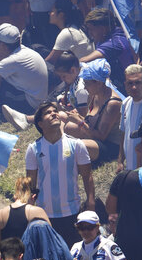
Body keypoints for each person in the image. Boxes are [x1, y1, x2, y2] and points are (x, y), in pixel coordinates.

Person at [25, 101, 96, 244]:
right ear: (40, 124)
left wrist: (91, 201)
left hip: (72, 213)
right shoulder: (33, 149)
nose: (54, 114)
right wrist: (29, 207)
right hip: (44, 214)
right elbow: (30, 182)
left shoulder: (77, 145)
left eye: (55, 111)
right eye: (48, 113)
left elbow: (87, 176)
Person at [0, 24, 48, 114]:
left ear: (3, 46)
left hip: (29, 106)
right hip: (35, 101)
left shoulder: (14, 60)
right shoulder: (25, 52)